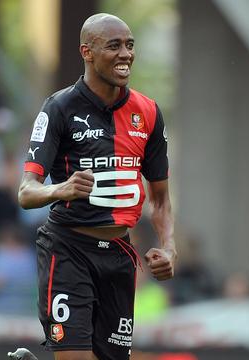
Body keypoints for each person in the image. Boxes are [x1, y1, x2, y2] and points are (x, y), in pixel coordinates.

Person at [15, 13, 176, 360]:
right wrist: (60, 189)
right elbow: (26, 192)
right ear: (87, 52)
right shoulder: (58, 108)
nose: (125, 54)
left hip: (119, 255)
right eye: (114, 46)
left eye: (130, 45)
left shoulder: (147, 112)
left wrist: (169, 246)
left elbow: (160, 200)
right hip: (69, 249)